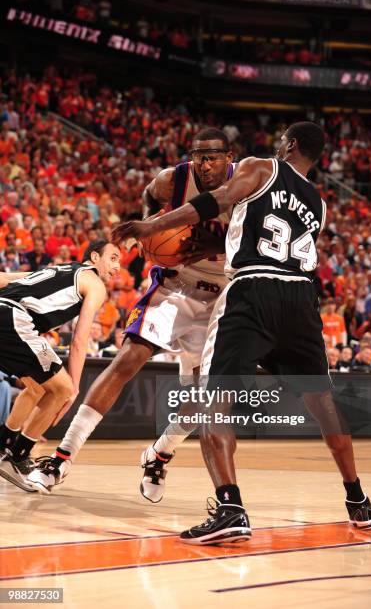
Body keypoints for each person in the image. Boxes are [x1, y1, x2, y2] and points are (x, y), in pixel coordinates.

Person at [113, 121, 371, 544]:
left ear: (289, 144)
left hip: (253, 289)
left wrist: (151, 228)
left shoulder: (261, 166)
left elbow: (218, 198)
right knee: (323, 404)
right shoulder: (319, 203)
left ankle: (230, 507)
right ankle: (358, 500)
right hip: (301, 298)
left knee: (215, 397)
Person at [27, 128, 235, 496]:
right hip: (176, 285)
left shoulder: (246, 187)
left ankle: (159, 454)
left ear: (229, 157)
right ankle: (61, 458)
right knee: (128, 358)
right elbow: (149, 196)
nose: (204, 164)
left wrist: (216, 241)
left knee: (201, 400)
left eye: (213, 156)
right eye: (198, 155)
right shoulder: (175, 178)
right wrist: (150, 230)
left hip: (220, 297)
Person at [0, 240, 121, 490]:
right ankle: (19, 454)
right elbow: (79, 339)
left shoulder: (57, 269)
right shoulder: (95, 284)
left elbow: (4, 278)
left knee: (36, 389)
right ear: (95, 257)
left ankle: (4, 446)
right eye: (113, 258)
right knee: (62, 389)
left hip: (5, 314)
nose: (118, 266)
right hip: (12, 318)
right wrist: (74, 387)